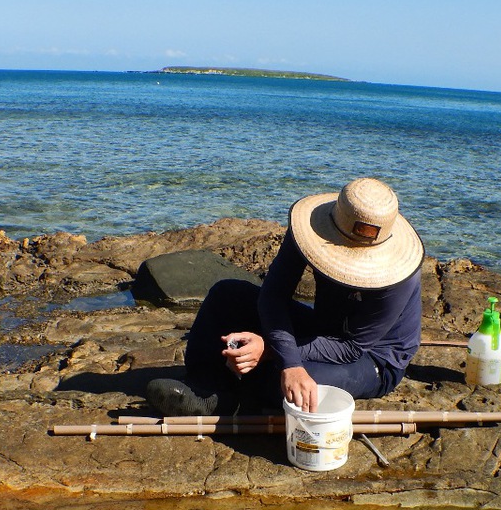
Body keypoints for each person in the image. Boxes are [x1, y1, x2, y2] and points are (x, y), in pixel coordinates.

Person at [146, 177, 424, 416]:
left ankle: (232, 399)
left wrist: (274, 352)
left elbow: (351, 347)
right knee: (226, 295)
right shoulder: (311, 229)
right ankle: (205, 384)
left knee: (287, 383)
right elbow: (273, 295)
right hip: (321, 328)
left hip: (371, 359)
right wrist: (281, 352)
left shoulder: (399, 277)